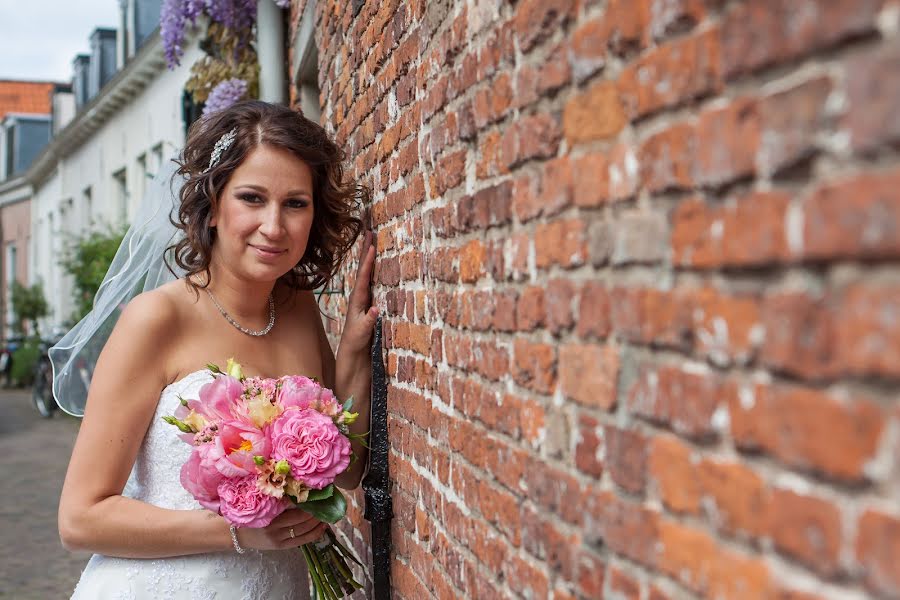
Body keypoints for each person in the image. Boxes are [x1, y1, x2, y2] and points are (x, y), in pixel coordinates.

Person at [55, 100, 378, 599]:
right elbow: (80, 518)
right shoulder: (156, 319)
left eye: (295, 203)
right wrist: (239, 533)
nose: (274, 226)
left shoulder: (298, 310)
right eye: (252, 198)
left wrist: (355, 353)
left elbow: (349, 471)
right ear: (212, 207)